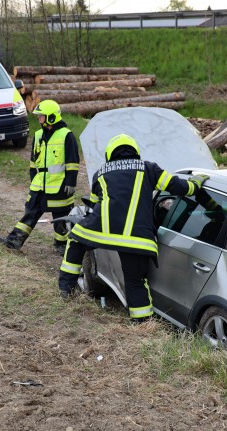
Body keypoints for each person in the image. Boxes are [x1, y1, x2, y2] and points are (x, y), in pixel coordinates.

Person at [57, 134, 209, 322]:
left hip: (103, 230)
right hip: (137, 239)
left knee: (75, 241)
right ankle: (142, 321)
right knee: (135, 281)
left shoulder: (101, 173)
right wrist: (197, 182)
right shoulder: (149, 168)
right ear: (135, 152)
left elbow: (94, 205)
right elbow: (181, 188)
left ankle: (66, 290)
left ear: (110, 154)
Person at [0, 100, 80, 252]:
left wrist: (71, 183)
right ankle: (14, 241)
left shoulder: (66, 136)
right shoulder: (38, 135)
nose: (38, 118)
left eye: (41, 116)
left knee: (61, 217)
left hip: (59, 185)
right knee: (30, 213)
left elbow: (73, 162)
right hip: (39, 185)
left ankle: (62, 246)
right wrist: (33, 179)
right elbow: (33, 162)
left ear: (51, 117)